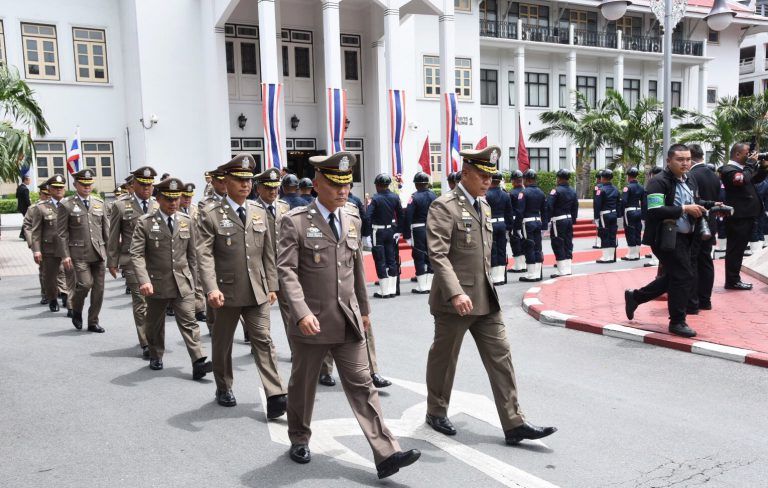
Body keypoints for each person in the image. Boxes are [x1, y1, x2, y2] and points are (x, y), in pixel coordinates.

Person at [277, 151, 420, 478]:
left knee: (362, 383)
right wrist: (300, 313)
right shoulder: (295, 221)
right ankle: (299, 436)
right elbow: (286, 271)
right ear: (317, 184)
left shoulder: (353, 217)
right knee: (303, 385)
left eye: (346, 183)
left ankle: (386, 453)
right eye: (334, 184)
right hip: (311, 321)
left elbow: (355, 269)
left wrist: (365, 310)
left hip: (348, 320)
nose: (343, 190)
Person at [425, 144, 556, 446]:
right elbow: (438, 255)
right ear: (466, 173)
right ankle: (436, 411)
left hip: (485, 298)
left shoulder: (484, 205)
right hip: (454, 302)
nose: (488, 181)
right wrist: (456, 292)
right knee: (445, 359)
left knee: (501, 357)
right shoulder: (444, 206)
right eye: (483, 175)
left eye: (491, 176)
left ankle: (514, 422)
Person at [196, 154, 287, 414]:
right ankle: (224, 386)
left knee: (263, 339)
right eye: (239, 180)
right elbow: (203, 254)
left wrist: (272, 284)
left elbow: (268, 252)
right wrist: (211, 288)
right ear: (226, 181)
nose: (245, 185)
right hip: (225, 291)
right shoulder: (211, 214)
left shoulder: (258, 211)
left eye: (248, 180)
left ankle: (276, 394)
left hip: (257, 289)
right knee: (223, 343)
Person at [625, 144, 714, 338]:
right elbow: (655, 211)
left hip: (687, 237)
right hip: (664, 237)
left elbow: (694, 201)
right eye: (680, 160)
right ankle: (677, 322)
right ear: (668, 161)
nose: (685, 163)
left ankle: (636, 297)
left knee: (677, 275)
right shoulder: (657, 182)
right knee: (683, 275)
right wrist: (684, 209)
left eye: (688, 159)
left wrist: (712, 205)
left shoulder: (690, 179)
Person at [130, 177, 213, 379]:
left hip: (182, 282)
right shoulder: (146, 223)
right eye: (168, 198)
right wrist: (144, 280)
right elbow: (136, 254)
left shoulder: (187, 221)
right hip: (156, 283)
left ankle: (198, 360)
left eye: (176, 198)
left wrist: (194, 284)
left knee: (189, 321)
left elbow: (193, 256)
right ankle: (156, 354)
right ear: (158, 198)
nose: (173, 203)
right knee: (154, 324)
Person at [107, 166, 158, 358]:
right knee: (141, 300)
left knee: (155, 302)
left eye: (150, 185)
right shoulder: (120, 206)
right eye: (142, 184)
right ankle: (145, 342)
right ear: (133, 184)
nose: (146, 188)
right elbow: (113, 236)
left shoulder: (157, 205)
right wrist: (112, 261)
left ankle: (154, 336)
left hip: (156, 260)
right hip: (131, 260)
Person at [57, 169, 109, 333]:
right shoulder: (67, 205)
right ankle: (77, 309)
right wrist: (65, 255)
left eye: (89, 184)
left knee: (99, 290)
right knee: (85, 284)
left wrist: (111, 254)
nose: (86, 187)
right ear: (75, 185)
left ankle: (93, 321)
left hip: (98, 253)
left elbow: (106, 230)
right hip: (79, 253)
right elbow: (62, 233)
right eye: (83, 184)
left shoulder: (99, 203)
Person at [253, 168, 293, 356]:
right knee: (261, 311)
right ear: (258, 189)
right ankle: (263, 346)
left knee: (291, 310)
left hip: (283, 265)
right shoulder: (252, 209)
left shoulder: (284, 207)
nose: (273, 192)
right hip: (260, 267)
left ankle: (296, 349)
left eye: (275, 188)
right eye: (268, 188)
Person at [720, 143, 768, 290]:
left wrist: (764, 167)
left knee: (739, 249)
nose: (751, 155)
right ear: (738, 155)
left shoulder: (742, 170)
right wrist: (750, 165)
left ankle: (734, 279)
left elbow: (755, 179)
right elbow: (741, 180)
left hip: (746, 216)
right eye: (748, 153)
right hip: (738, 217)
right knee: (735, 249)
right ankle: (732, 281)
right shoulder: (728, 169)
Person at [27, 175, 75, 314]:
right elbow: (36, 231)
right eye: (55, 188)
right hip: (49, 248)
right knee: (50, 277)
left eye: (61, 187)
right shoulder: (41, 208)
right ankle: (53, 298)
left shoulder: (72, 205)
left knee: (70, 275)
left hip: (69, 247)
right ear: (49, 189)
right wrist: (36, 250)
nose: (59, 190)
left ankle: (69, 302)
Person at [686, 144, 721, 314]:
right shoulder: (713, 175)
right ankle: (705, 299)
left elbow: (693, 200)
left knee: (693, 261)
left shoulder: (691, 175)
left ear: (691, 156)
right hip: (710, 222)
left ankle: (694, 300)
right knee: (706, 261)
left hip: (697, 223)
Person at [366, 173, 404, 298]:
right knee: (391, 259)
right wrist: (398, 230)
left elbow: (368, 217)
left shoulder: (376, 199)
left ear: (377, 185)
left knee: (380, 259)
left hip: (378, 231)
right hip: (390, 231)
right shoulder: (395, 197)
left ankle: (384, 290)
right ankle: (392, 289)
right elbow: (400, 214)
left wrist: (366, 233)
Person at [404, 171, 437, 293]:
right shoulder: (434, 195)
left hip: (418, 229)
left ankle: (422, 286)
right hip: (432, 228)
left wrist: (406, 234)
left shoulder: (414, 197)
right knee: (430, 255)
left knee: (419, 256)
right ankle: (430, 284)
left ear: (417, 184)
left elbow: (408, 216)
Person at [179, 182, 207, 323]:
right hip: (179, 250)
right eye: (185, 196)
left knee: (198, 279)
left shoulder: (195, 210)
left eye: (190, 197)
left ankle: (199, 309)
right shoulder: (172, 209)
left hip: (194, 249)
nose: (187, 200)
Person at [546, 169, 579, 278]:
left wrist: (547, 219)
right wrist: (573, 219)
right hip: (568, 219)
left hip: (558, 220)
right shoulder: (572, 191)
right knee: (568, 243)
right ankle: (567, 268)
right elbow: (575, 207)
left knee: (557, 242)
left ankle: (561, 270)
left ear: (559, 178)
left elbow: (549, 206)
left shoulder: (556, 191)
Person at [517, 169, 546, 282]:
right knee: (537, 247)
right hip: (538, 221)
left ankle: (531, 274)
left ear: (527, 180)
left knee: (529, 246)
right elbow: (544, 210)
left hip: (527, 222)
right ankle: (537, 273)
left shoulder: (523, 193)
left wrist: (517, 227)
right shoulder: (541, 192)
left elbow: (520, 211)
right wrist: (544, 226)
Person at [485, 171, 514, 285]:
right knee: (502, 249)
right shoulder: (505, 195)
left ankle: (495, 277)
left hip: (490, 224)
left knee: (493, 249)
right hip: (502, 224)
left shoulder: (486, 194)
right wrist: (509, 227)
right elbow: (509, 212)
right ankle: (501, 276)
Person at [594, 169, 621, 263]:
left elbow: (597, 205)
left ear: (602, 178)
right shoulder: (615, 189)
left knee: (604, 234)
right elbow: (618, 203)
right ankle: (611, 256)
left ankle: (606, 257)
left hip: (604, 215)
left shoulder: (600, 190)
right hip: (613, 213)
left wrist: (596, 217)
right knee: (612, 234)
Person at [621, 167, 645, 261]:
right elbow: (644, 202)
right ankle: (637, 253)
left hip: (629, 211)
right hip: (638, 210)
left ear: (628, 176)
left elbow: (624, 201)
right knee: (637, 231)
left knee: (629, 231)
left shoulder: (628, 187)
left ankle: (631, 254)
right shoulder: (641, 187)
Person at [643, 166, 664, 267]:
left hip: (654, 216)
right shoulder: (666, 181)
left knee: (655, 239)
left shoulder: (653, 183)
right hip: (664, 216)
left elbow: (647, 204)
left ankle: (655, 260)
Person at [507, 170, 526, 274]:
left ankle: (519, 265)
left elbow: (509, 209)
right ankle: (524, 263)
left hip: (514, 219)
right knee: (523, 241)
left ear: (513, 181)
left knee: (515, 241)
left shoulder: (511, 193)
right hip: (525, 220)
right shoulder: (525, 191)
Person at [16, 175, 32, 240]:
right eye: (28, 180)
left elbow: (17, 196)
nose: (29, 181)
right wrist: (30, 206)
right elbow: (27, 200)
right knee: (28, 221)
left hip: (21, 207)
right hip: (25, 208)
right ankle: (24, 235)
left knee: (26, 220)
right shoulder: (25, 189)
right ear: (25, 180)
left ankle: (23, 234)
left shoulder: (19, 187)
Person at [592, 170, 604, 249]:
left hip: (600, 211)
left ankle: (599, 243)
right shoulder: (609, 186)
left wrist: (595, 215)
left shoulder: (597, 187)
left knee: (599, 227)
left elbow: (596, 201)